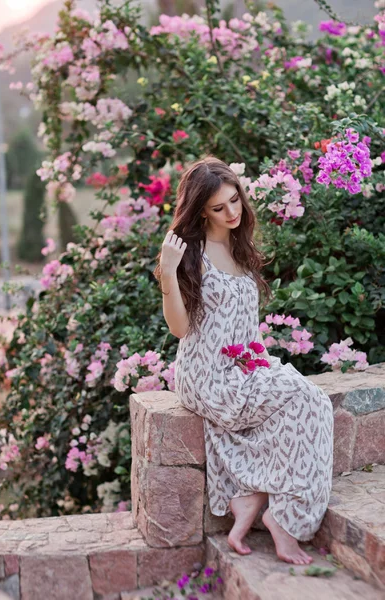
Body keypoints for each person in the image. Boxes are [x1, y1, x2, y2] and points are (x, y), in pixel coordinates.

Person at [154, 155, 334, 566]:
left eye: (235, 200)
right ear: (200, 209)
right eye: (220, 207)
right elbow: (181, 330)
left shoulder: (238, 243)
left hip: (243, 366)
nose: (232, 212)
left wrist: (260, 364)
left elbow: (245, 325)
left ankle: (255, 503)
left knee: (311, 402)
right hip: (206, 375)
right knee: (308, 400)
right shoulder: (191, 253)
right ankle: (285, 522)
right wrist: (167, 272)